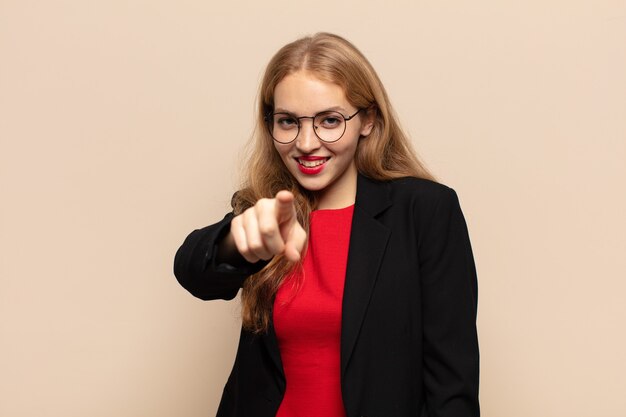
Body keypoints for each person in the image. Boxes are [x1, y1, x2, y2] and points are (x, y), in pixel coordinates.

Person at [174, 32, 479, 417]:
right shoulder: (269, 210)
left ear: (367, 120)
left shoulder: (424, 210)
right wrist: (237, 243)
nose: (305, 142)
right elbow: (192, 271)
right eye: (288, 121)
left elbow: (453, 388)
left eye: (329, 120)